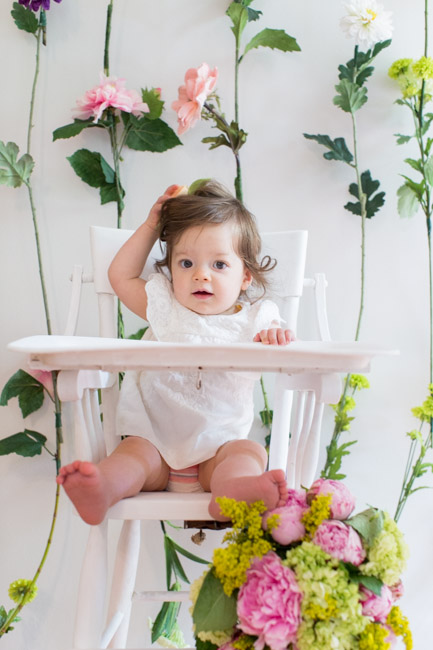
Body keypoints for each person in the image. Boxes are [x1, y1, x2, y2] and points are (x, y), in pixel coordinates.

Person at [56, 180, 295, 525]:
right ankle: (103, 488)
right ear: (170, 268)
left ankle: (231, 494)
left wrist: (276, 336)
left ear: (246, 276)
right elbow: (120, 276)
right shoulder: (164, 304)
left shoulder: (257, 319)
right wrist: (154, 225)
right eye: (186, 263)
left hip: (219, 446)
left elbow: (283, 342)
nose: (200, 275)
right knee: (130, 460)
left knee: (249, 452)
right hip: (153, 440)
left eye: (219, 265)